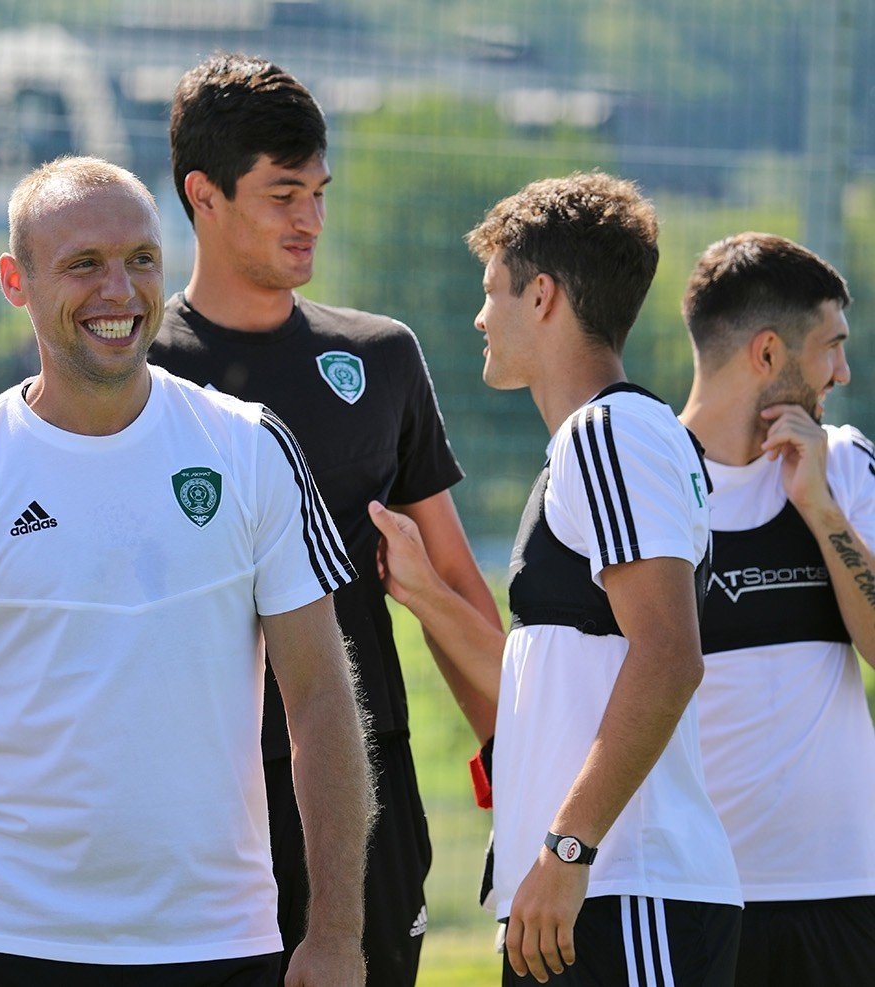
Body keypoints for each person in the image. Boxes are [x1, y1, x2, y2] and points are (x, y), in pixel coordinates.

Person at [0, 156, 374, 987]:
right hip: (8, 942)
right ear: (16, 281)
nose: (120, 290)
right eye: (84, 264)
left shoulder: (249, 447)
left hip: (219, 943)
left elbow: (321, 700)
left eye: (141, 258)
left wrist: (335, 933)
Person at [148, 53, 500, 983]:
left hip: (363, 784)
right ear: (204, 195)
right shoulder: (141, 375)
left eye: (318, 193)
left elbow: (451, 581)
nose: (310, 218)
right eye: (283, 194)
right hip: (194, 795)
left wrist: (516, 761)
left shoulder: (381, 357)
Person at [368, 173, 743, 985]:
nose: (479, 316)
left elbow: (669, 656)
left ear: (541, 296)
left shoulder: (607, 434)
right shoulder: (593, 444)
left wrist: (568, 847)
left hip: (623, 893)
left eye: (491, 291)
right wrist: (424, 590)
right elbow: (545, 688)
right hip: (577, 894)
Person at [678, 232, 875, 987]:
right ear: (767, 353)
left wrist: (820, 507)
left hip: (844, 890)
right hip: (696, 894)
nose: (842, 373)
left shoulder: (844, 461)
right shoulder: (647, 478)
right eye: (832, 347)